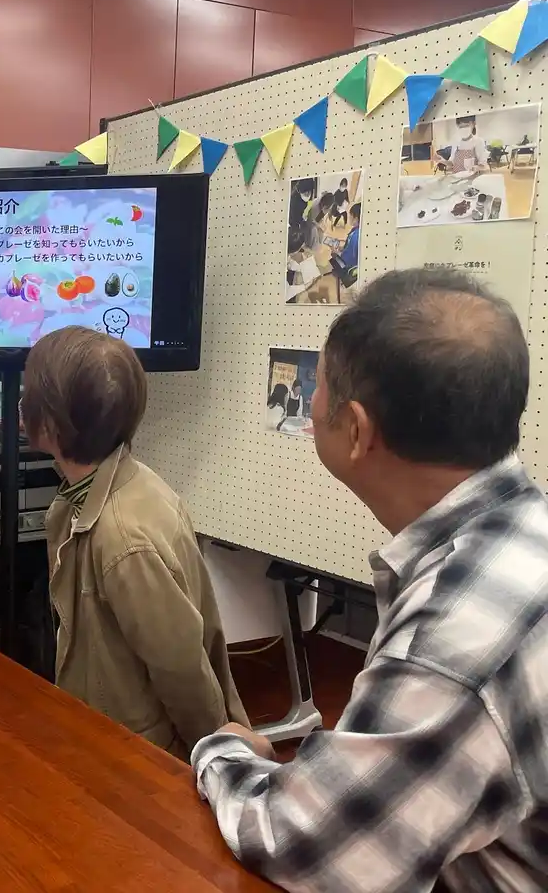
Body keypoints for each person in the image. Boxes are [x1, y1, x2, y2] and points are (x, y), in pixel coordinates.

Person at [192, 268, 548, 892]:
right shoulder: (524, 526)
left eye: (317, 386)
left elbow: (312, 847)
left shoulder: (456, 645)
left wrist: (222, 752)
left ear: (355, 431)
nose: (310, 406)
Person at [23, 326, 248, 760]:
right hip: (99, 733)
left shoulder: (122, 540)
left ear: (50, 423)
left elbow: (181, 670)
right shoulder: (110, 489)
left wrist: (217, 758)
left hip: (131, 756)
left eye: (29, 391)